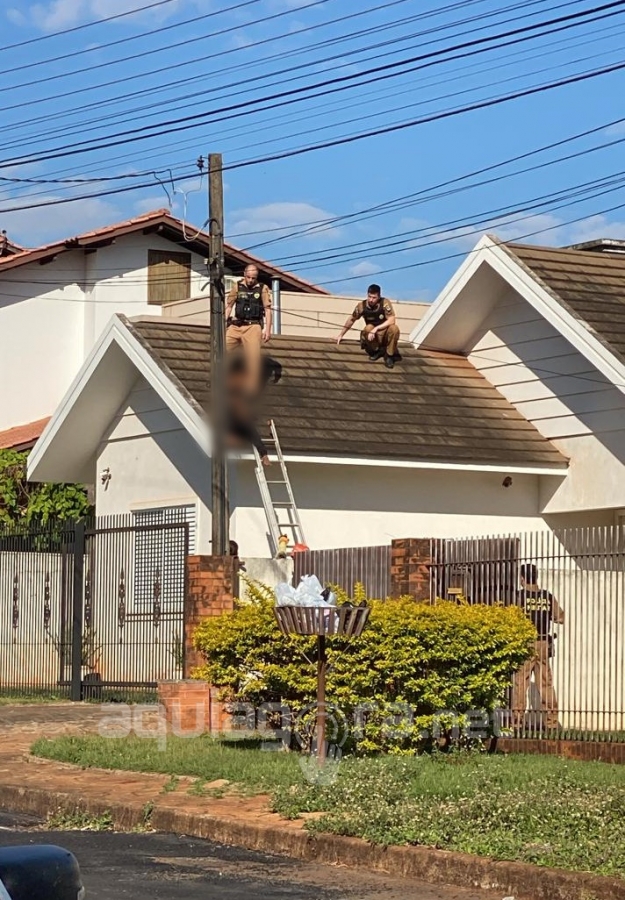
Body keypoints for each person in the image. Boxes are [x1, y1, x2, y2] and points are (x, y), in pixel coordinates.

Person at [511, 563, 565, 731]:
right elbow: (560, 618)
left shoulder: (518, 597)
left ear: (522, 578)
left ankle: (517, 723)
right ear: (536, 577)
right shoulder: (547, 596)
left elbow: (510, 619)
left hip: (525, 643)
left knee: (521, 683)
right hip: (542, 643)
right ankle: (552, 722)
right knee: (545, 684)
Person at [226, 264, 272, 392]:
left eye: (253, 278)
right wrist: (223, 323)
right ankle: (219, 379)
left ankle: (251, 388)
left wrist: (267, 330)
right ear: (244, 274)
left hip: (253, 326)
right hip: (236, 325)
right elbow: (229, 306)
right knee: (220, 350)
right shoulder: (237, 286)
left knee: (253, 358)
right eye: (248, 277)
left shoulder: (262, 288)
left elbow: (268, 310)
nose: (251, 280)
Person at [336, 284, 400, 369]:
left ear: (379, 297)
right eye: (369, 297)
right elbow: (352, 319)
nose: (371, 300)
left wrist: (377, 328)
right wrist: (341, 335)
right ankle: (376, 351)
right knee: (368, 328)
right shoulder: (361, 306)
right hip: (372, 336)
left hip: (384, 334)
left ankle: (389, 356)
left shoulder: (384, 303)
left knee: (394, 329)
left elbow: (392, 319)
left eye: (374, 297)